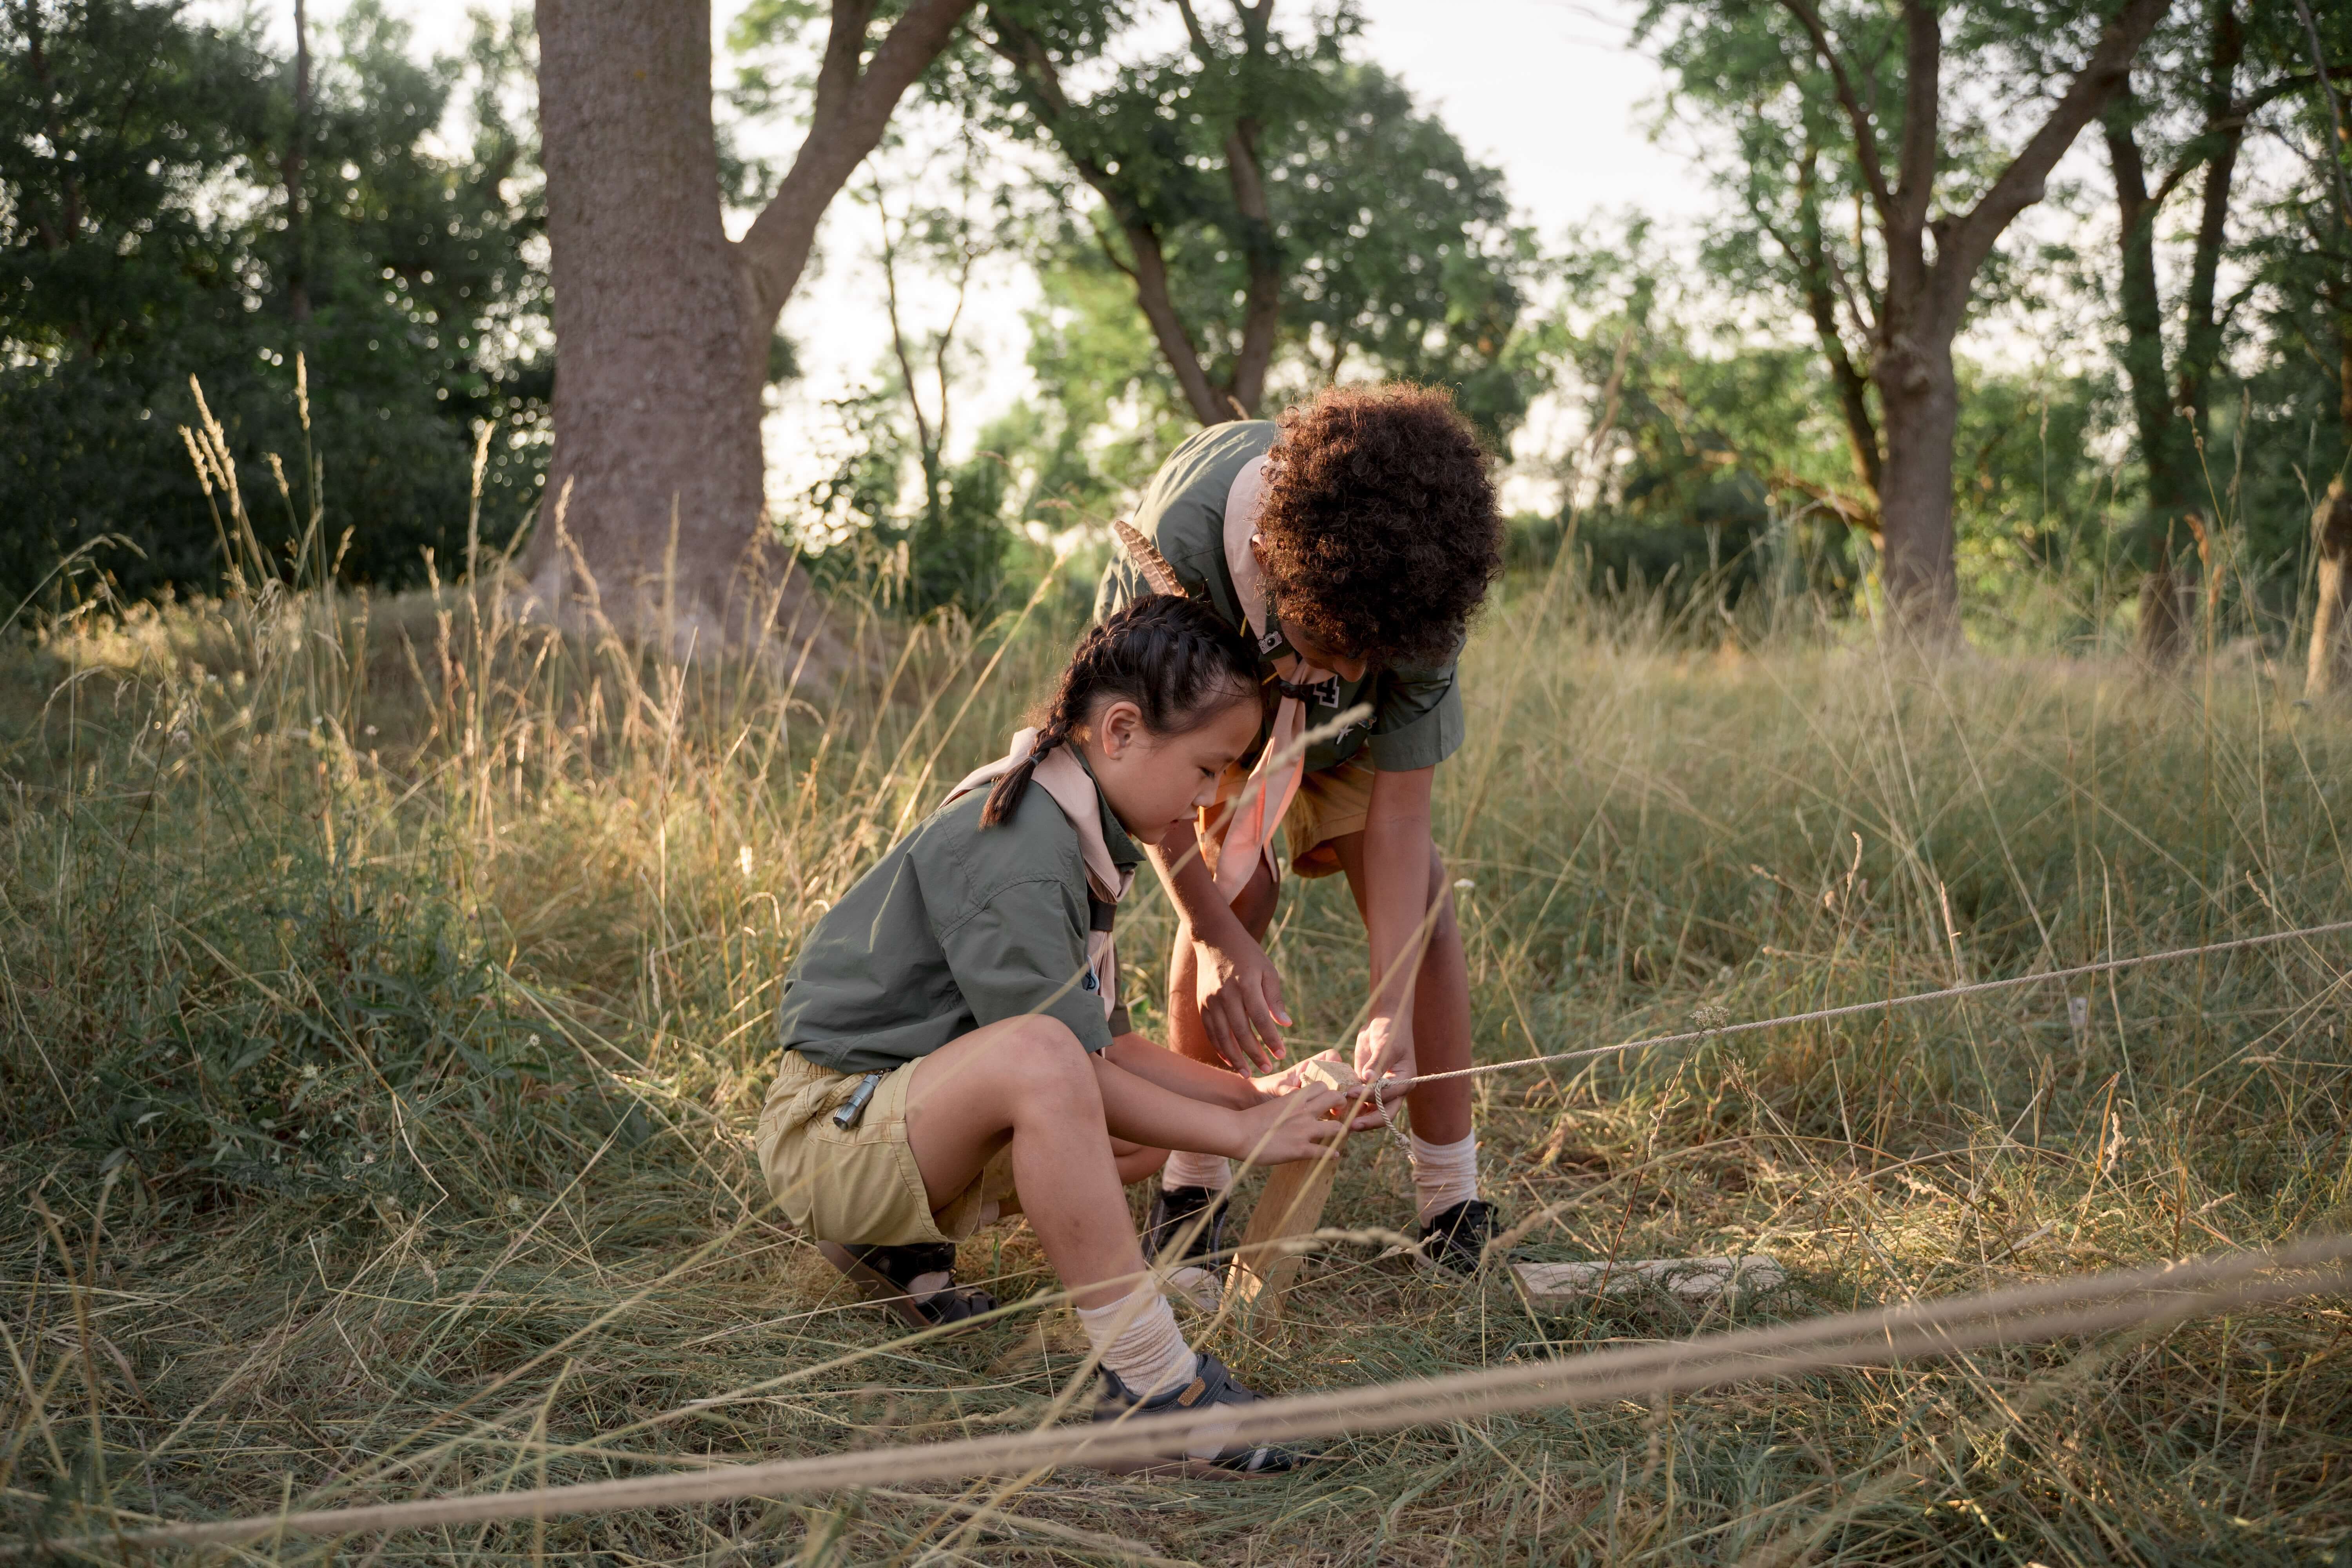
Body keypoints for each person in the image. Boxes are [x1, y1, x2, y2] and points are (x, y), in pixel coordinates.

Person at [757, 594, 1374, 1474]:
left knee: (1117, 1105)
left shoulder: (1077, 827)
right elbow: (1067, 1063)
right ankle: (1154, 1387)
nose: (1210, 800)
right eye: (1208, 769)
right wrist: (1239, 1133)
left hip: (899, 1118)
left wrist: (1261, 1097)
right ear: (1121, 729)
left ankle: (886, 1246)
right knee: (1049, 1062)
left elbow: (1116, 1055)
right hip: (828, 1133)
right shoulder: (1020, 841)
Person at [1096, 383, 1505, 1285]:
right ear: (1268, 566)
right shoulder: (1179, 552)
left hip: (1351, 738)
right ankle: (1191, 1191)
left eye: (1373, 660)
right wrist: (1212, 931)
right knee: (1236, 892)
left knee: (1424, 908)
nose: (1352, 672)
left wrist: (1390, 1007)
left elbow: (1398, 815)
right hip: (1221, 705)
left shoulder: (1412, 597)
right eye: (1333, 644)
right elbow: (1156, 795)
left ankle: (1451, 1199)